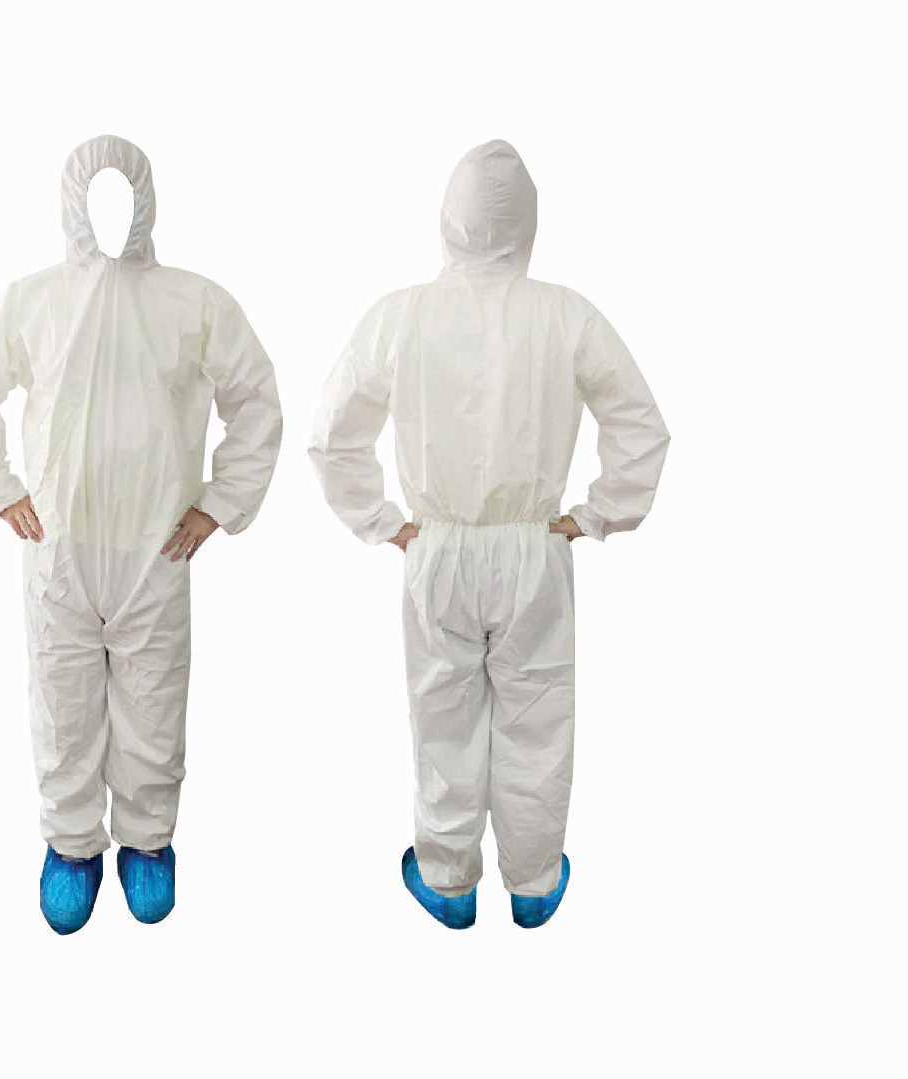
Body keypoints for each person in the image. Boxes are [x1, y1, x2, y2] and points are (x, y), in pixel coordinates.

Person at [308, 139, 670, 929]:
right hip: (533, 550)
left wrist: (386, 524)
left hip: (437, 550)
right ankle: (535, 883)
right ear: (530, 223)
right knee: (537, 717)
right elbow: (641, 426)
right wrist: (593, 514)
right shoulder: (566, 313)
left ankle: (447, 881)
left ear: (447, 218)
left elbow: (333, 436)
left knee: (444, 718)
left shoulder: (400, 315)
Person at [0, 135, 283, 934]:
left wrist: (220, 502)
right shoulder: (33, 301)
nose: (107, 217)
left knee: (152, 705)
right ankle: (71, 847)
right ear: (70, 204)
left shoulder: (194, 302)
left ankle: (148, 842)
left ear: (145, 203)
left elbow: (256, 398)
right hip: (59, 550)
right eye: (92, 201)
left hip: (155, 547)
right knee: (63, 705)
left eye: (122, 200)